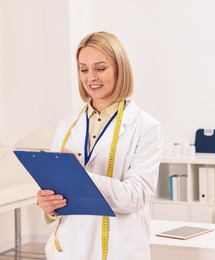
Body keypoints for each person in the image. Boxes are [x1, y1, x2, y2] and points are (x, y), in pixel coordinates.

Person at [36, 31, 163, 260]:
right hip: (69, 250)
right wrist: (49, 205)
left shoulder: (146, 126)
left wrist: (79, 176)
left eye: (100, 68)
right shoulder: (66, 127)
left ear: (119, 69)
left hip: (118, 249)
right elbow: (59, 192)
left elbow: (137, 195)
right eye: (84, 69)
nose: (90, 77)